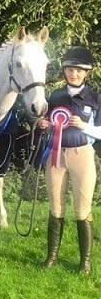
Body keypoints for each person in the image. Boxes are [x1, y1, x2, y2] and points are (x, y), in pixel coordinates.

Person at [38, 46, 100, 275]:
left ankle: (85, 262)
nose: (73, 74)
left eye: (79, 70)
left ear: (86, 73)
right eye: (70, 69)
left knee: (82, 209)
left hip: (82, 155)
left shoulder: (95, 98)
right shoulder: (55, 96)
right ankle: (52, 256)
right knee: (55, 206)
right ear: (65, 71)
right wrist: (43, 124)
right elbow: (49, 120)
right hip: (56, 155)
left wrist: (87, 127)